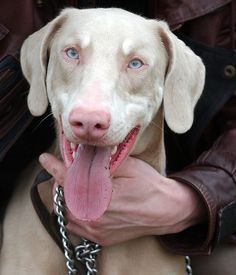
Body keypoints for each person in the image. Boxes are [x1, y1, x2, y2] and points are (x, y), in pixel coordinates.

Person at [1, 0, 236, 274]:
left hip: (198, 201)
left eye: (136, 63)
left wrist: (188, 202)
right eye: (72, 53)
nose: (90, 115)